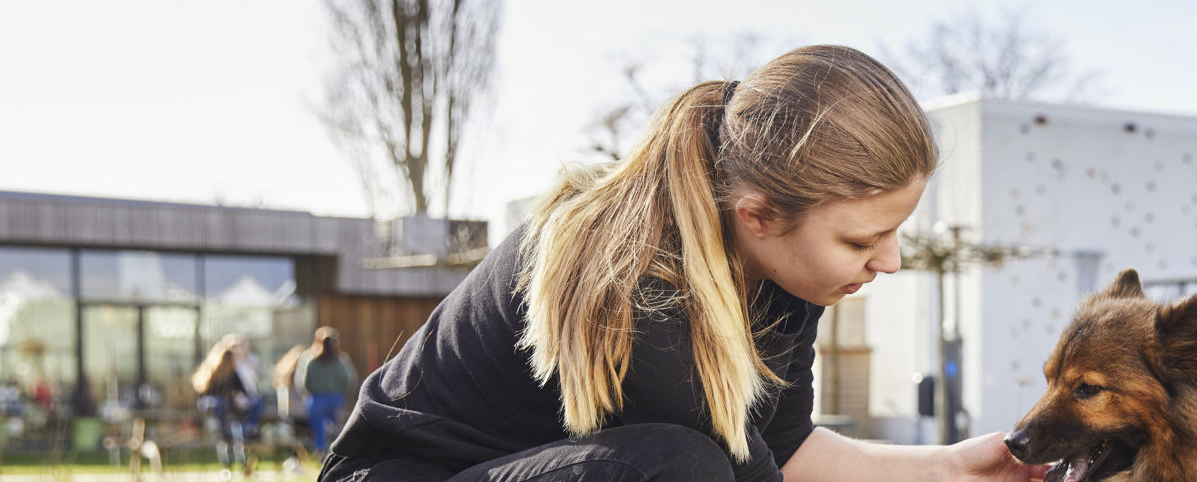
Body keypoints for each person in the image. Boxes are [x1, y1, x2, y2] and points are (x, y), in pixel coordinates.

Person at [320, 45, 1049, 482]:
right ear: (758, 214)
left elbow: (785, 450)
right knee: (682, 466)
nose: (888, 262)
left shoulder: (783, 279)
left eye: (892, 234)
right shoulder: (633, 277)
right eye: (861, 241)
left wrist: (949, 466)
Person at [192, 335, 259, 476]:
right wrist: (232, 396)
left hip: (233, 414)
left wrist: (239, 397)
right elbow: (207, 392)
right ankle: (228, 464)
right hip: (219, 412)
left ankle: (249, 437)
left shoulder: (234, 372)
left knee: (250, 409)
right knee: (226, 432)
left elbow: (243, 390)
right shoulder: (213, 372)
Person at [297, 326, 357, 456]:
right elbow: (350, 380)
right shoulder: (341, 360)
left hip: (316, 400)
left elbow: (304, 383)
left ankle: (321, 452)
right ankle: (338, 454)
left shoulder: (311, 360)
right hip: (337, 399)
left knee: (319, 430)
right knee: (338, 429)